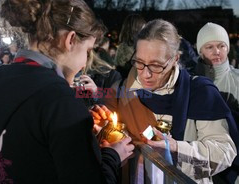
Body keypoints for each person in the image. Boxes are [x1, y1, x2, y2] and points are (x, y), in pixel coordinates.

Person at [0, 0, 134, 184]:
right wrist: (111, 156)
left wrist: (81, 134)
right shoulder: (59, 100)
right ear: (71, 39)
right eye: (87, 52)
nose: (84, 64)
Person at [91, 19, 238, 184]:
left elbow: (224, 152)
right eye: (139, 63)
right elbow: (111, 137)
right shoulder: (121, 90)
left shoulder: (200, 92)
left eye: (156, 65)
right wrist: (103, 127)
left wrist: (176, 148)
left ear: (175, 59)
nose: (145, 74)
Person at [195, 22, 239, 183]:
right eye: (209, 47)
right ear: (200, 51)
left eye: (221, 46)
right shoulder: (191, 82)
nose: (217, 52)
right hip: (203, 162)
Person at [114, 14, 146, 78]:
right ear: (136, 29)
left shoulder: (123, 46)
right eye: (143, 28)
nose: (145, 31)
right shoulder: (130, 49)